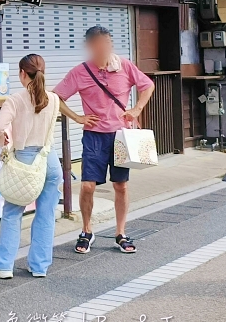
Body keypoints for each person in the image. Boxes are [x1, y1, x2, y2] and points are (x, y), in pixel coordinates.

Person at [54, 25, 155, 255]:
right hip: (94, 137)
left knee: (120, 185)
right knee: (88, 186)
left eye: (108, 43)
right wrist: (78, 117)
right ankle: (86, 231)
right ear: (90, 46)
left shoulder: (124, 66)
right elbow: (57, 97)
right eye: (100, 44)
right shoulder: (80, 72)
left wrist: (137, 108)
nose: (105, 48)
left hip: (121, 136)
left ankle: (121, 233)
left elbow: (147, 85)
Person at [0, 54, 62, 279]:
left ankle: (3, 266)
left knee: (12, 213)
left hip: (24, 161)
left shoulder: (15, 100)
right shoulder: (54, 99)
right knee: (46, 213)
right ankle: (39, 266)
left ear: (22, 73)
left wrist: (4, 142)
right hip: (49, 160)